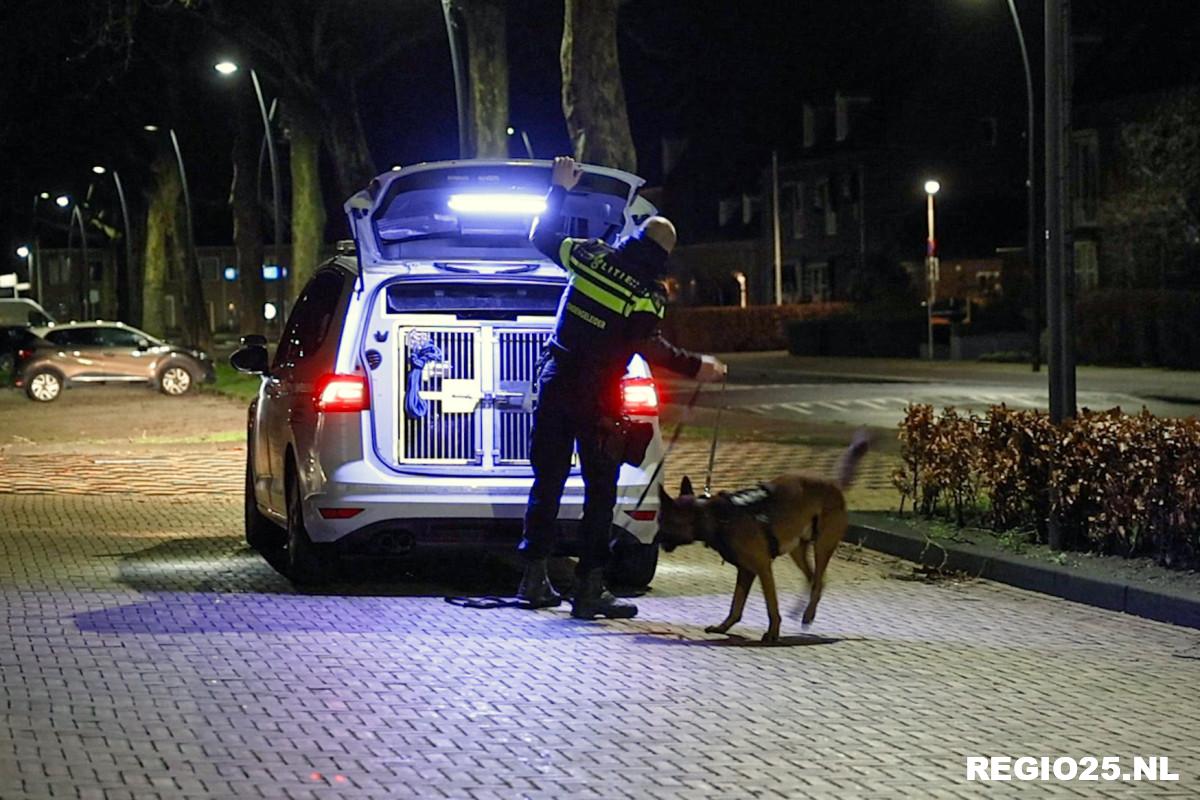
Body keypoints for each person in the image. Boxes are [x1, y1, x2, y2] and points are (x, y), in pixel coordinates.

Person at [517, 155, 727, 619]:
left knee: (546, 483)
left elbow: (540, 236)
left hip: (556, 382)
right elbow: (651, 349)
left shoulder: (590, 256)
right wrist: (700, 368)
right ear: (663, 256)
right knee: (600, 492)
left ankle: (533, 580)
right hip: (599, 399)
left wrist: (559, 189)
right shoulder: (647, 294)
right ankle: (589, 590)